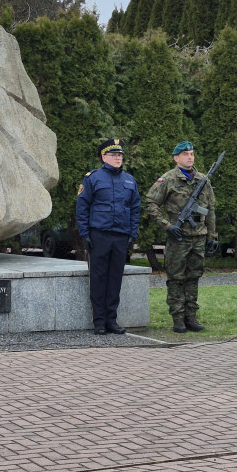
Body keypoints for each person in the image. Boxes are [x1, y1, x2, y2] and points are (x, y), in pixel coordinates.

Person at [145, 141, 219, 333]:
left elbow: (210, 209)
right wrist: (167, 226)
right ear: (176, 158)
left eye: (192, 153)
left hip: (199, 237)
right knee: (176, 278)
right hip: (178, 238)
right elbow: (151, 203)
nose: (190, 157)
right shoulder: (168, 179)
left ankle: (191, 317)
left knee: (194, 277)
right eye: (185, 154)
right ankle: (178, 318)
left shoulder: (203, 180)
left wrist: (212, 235)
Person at [75, 139, 141, 335]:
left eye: (120, 155)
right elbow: (82, 207)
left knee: (114, 279)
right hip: (99, 235)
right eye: (113, 155)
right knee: (98, 278)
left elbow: (135, 208)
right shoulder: (92, 178)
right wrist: (85, 234)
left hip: (120, 237)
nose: (118, 157)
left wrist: (132, 232)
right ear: (104, 157)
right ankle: (99, 322)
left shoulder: (129, 180)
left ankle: (112, 319)